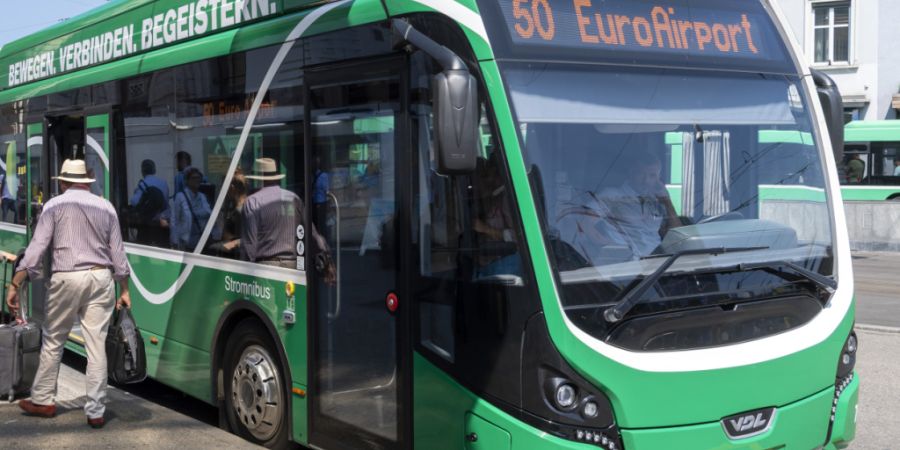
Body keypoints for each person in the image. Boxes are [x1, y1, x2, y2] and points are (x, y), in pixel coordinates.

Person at [5, 159, 130, 429]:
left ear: (62, 182)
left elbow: (37, 249)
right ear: (87, 181)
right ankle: (96, 412)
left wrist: (16, 283)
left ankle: (43, 400)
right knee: (96, 346)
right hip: (101, 277)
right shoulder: (106, 206)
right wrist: (125, 290)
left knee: (53, 340)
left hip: (67, 277)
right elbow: (119, 254)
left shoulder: (54, 206)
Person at [241, 158, 331, 276]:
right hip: (294, 265)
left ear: (257, 179)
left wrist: (244, 275)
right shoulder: (293, 198)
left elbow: (249, 247)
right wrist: (327, 261)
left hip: (266, 268)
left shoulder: (252, 202)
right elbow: (312, 232)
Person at [129, 159, 170, 246]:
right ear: (154, 170)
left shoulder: (143, 184)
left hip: (146, 225)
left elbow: (134, 202)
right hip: (160, 225)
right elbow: (166, 204)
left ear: (142, 171)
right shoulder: (163, 183)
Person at [171, 167, 212, 250]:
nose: (196, 180)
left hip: (200, 239)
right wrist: (174, 241)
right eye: (193, 178)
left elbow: (208, 212)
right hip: (185, 241)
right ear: (187, 181)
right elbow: (174, 219)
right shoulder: (180, 196)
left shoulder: (202, 196)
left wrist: (195, 213)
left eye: (198, 178)